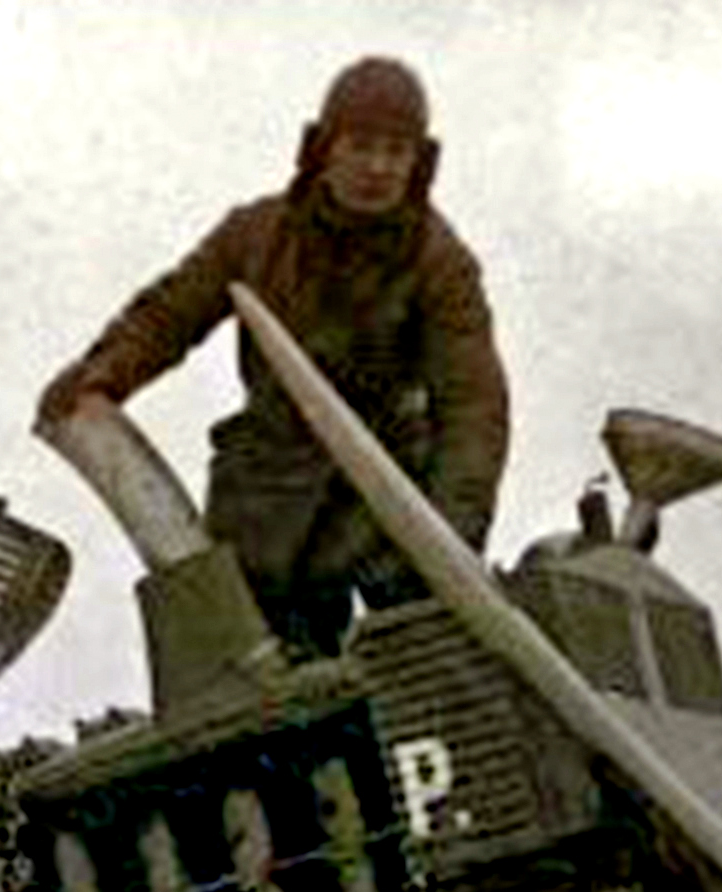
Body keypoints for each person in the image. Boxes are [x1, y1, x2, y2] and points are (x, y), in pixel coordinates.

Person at [36, 54, 509, 659]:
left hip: (388, 505)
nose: (378, 167)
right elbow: (168, 314)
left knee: (428, 666)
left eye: (397, 150)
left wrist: (453, 537)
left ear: (420, 162)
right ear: (323, 149)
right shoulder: (255, 235)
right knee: (260, 673)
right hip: (269, 498)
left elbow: (473, 409)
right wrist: (101, 373)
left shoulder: (441, 263)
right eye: (361, 145)